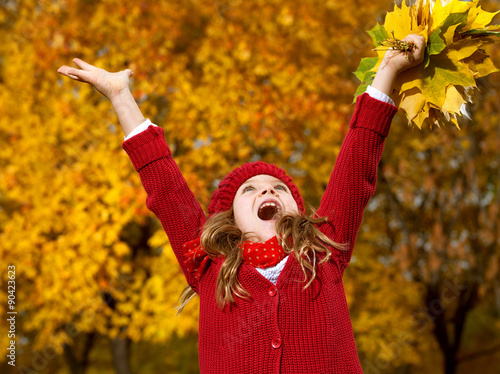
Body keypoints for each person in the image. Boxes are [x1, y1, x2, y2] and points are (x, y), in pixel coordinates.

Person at [58, 34, 424, 373]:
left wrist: (389, 68)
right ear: (229, 220)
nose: (266, 192)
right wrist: (121, 96)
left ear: (298, 211)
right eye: (249, 190)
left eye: (278, 188)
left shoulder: (323, 249)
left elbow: (356, 164)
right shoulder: (208, 268)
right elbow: (165, 188)